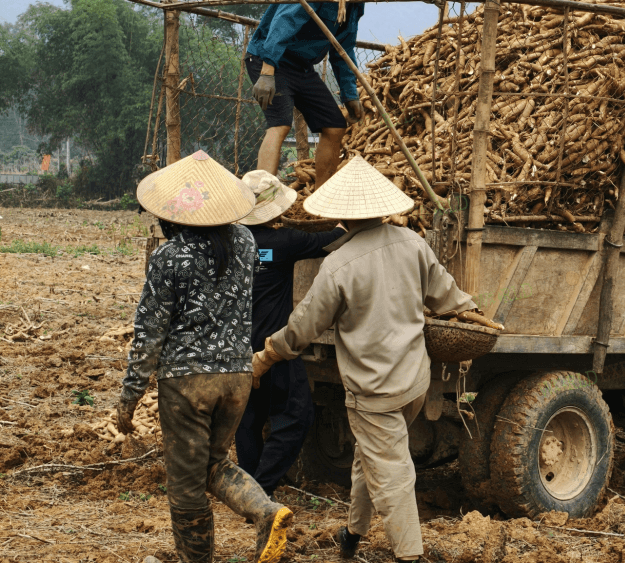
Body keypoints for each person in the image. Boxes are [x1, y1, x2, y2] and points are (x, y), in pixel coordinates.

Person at [250, 155, 477, 562]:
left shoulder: (339, 265)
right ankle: (352, 536)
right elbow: (447, 297)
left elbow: (302, 328)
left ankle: (411, 555)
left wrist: (267, 355)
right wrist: (471, 308)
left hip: (374, 392)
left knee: (391, 473)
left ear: (341, 215)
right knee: (370, 456)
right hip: (413, 384)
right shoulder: (414, 243)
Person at [116, 151, 293, 563]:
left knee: (186, 486)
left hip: (187, 381)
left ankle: (196, 559)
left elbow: (149, 333)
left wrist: (130, 397)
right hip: (236, 374)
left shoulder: (169, 257)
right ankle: (266, 511)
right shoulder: (246, 242)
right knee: (215, 464)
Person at [245, 0, 402, 188]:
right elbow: (284, 22)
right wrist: (267, 71)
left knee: (334, 126)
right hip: (271, 59)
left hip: (301, 66)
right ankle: (261, 197)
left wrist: (350, 95)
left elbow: (343, 48)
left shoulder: (355, 1)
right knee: (280, 124)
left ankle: (321, 198)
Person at [234, 170, 346, 498]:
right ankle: (261, 488)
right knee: (296, 415)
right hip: (273, 348)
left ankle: (247, 486)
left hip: (237, 344)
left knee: (247, 417)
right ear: (275, 210)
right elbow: (336, 237)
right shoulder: (284, 242)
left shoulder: (231, 241)